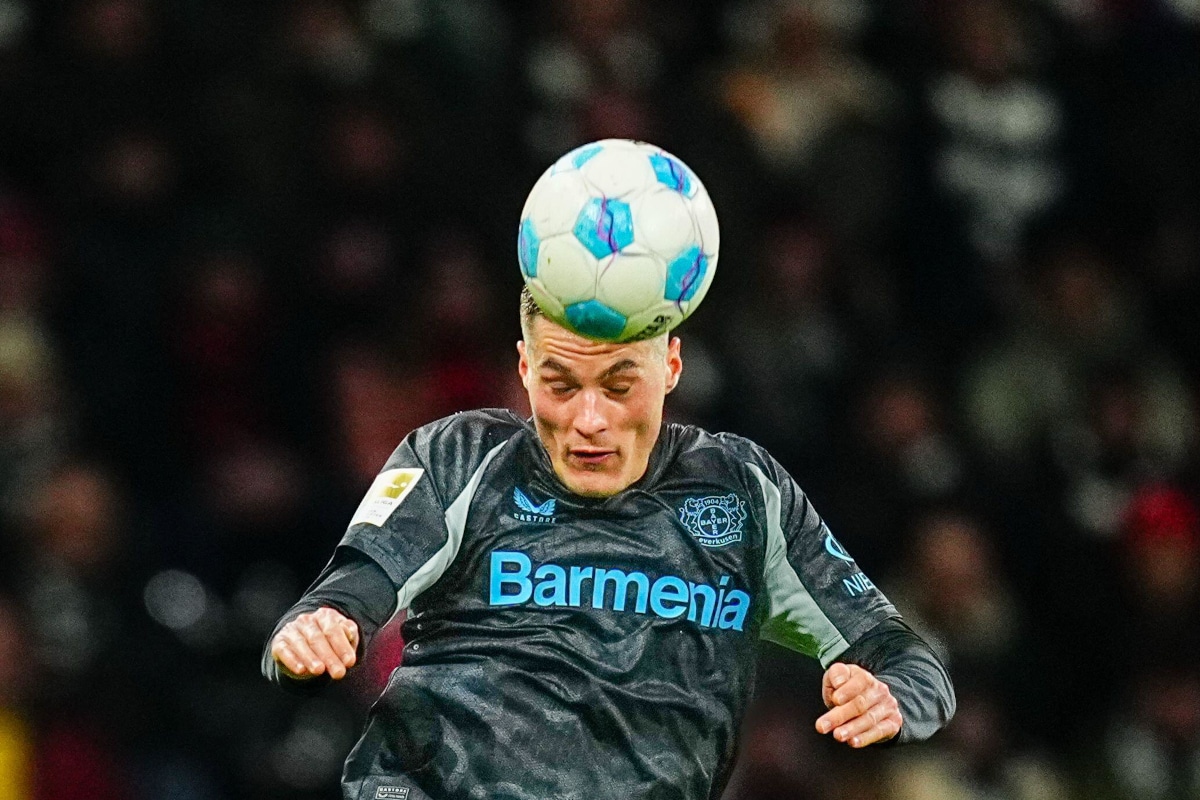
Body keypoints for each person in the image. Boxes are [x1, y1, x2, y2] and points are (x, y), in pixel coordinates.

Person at [263, 288, 956, 800]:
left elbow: (903, 658)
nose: (589, 420)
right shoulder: (458, 458)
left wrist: (896, 698)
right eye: (561, 384)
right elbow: (343, 594)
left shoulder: (743, 492)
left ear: (672, 368)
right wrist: (320, 625)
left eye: (619, 383)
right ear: (526, 370)